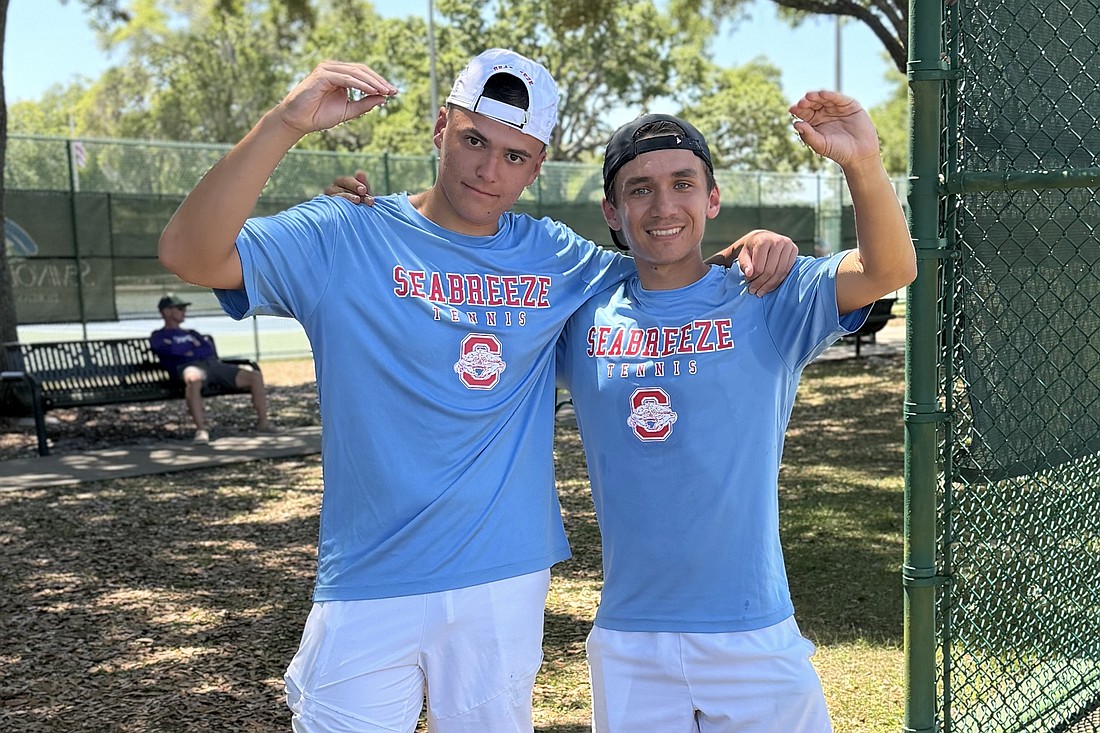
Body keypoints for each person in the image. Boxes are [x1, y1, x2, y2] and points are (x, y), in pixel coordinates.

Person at [158, 49, 796, 732]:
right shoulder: (347, 231)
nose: (490, 170)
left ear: (537, 165)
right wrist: (286, 123)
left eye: (515, 156)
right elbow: (189, 253)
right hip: (367, 578)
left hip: (502, 578)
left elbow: (664, 259)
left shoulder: (555, 257)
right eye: (473, 141)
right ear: (440, 128)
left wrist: (752, 247)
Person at [552, 99, 916, 732]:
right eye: (640, 189)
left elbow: (889, 269)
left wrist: (862, 163)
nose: (664, 206)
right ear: (612, 211)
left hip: (752, 630)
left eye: (683, 184)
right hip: (630, 637)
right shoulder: (581, 311)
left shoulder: (765, 297)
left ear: (712, 198)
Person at [150, 293, 272, 442]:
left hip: (212, 365)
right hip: (188, 368)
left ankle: (264, 424)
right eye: (180, 308)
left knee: (255, 376)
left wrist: (187, 350)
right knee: (193, 379)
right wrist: (191, 348)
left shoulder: (192, 333)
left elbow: (207, 349)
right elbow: (170, 352)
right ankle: (201, 430)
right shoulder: (159, 336)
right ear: (166, 311)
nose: (184, 311)